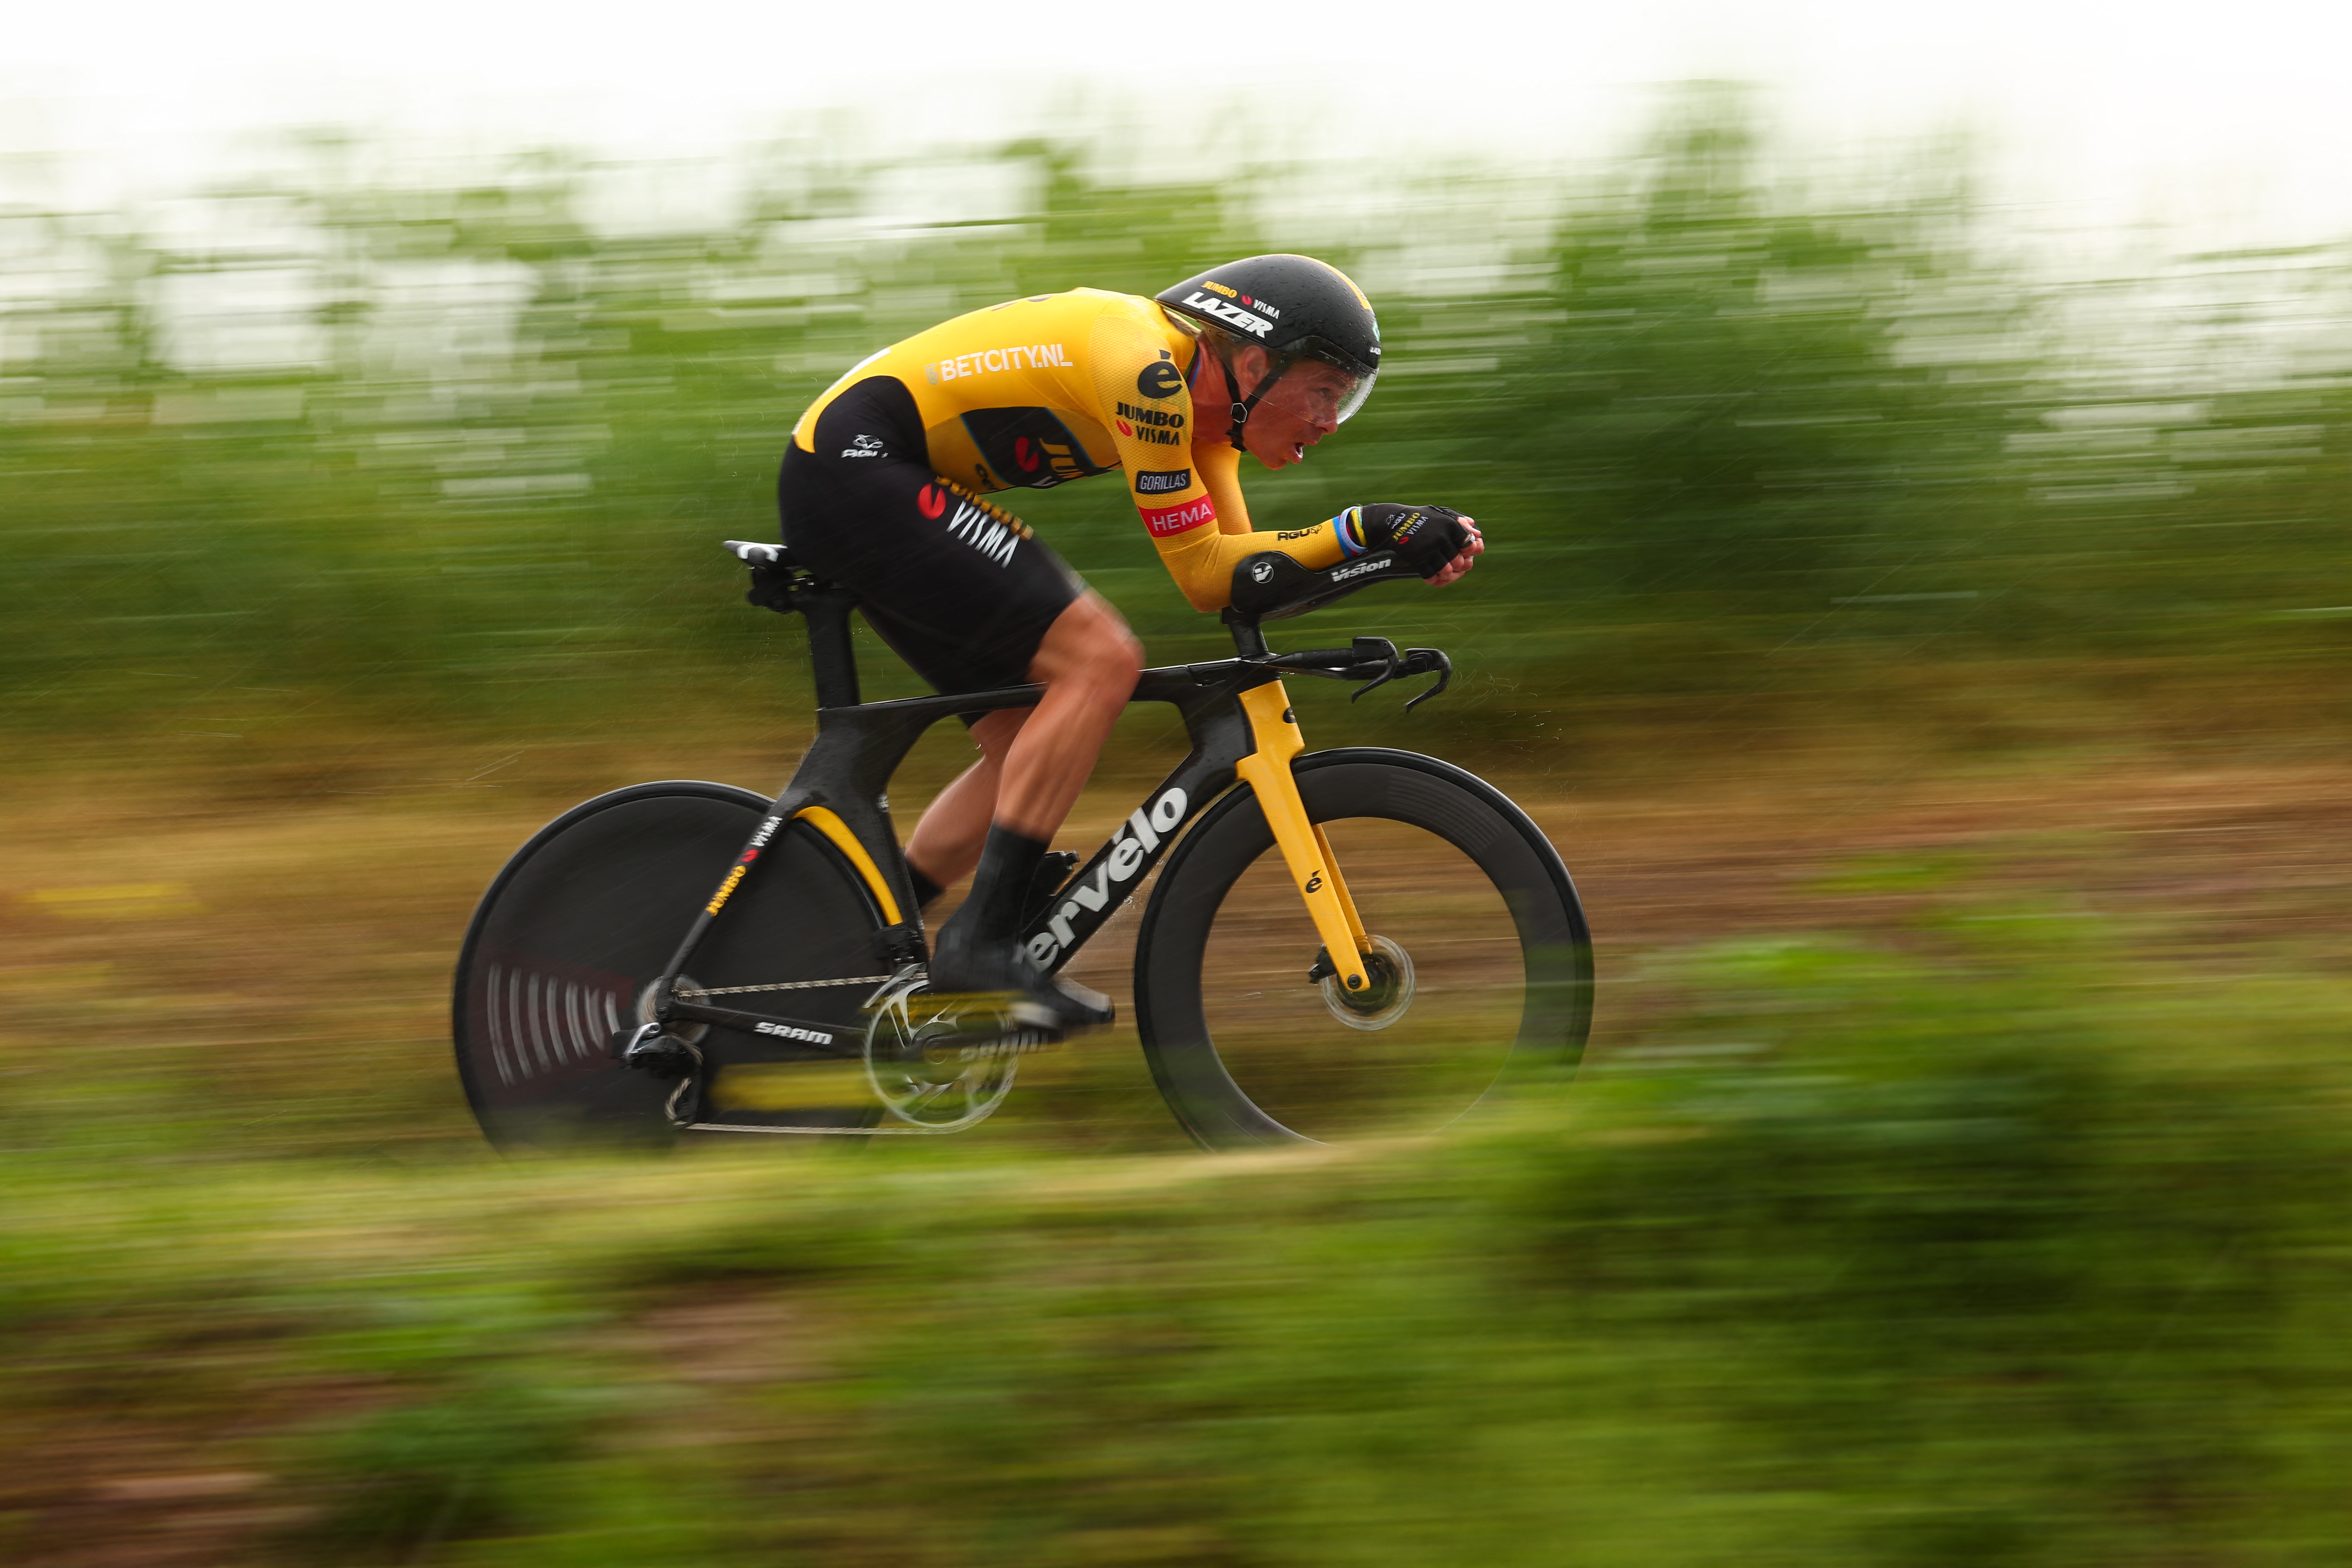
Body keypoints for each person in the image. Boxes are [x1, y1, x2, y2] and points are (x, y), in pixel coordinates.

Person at [775, 254, 1484, 1028]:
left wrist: (1383, 551)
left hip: (866, 475)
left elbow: (1228, 582)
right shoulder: (1146, 369)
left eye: (1342, 402)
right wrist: (1361, 526)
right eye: (1323, 392)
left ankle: (862, 951)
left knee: (1025, 746)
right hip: (855, 463)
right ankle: (980, 944)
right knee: (1102, 658)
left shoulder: (1211, 428)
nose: (1328, 421)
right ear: (1253, 363)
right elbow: (1205, 566)